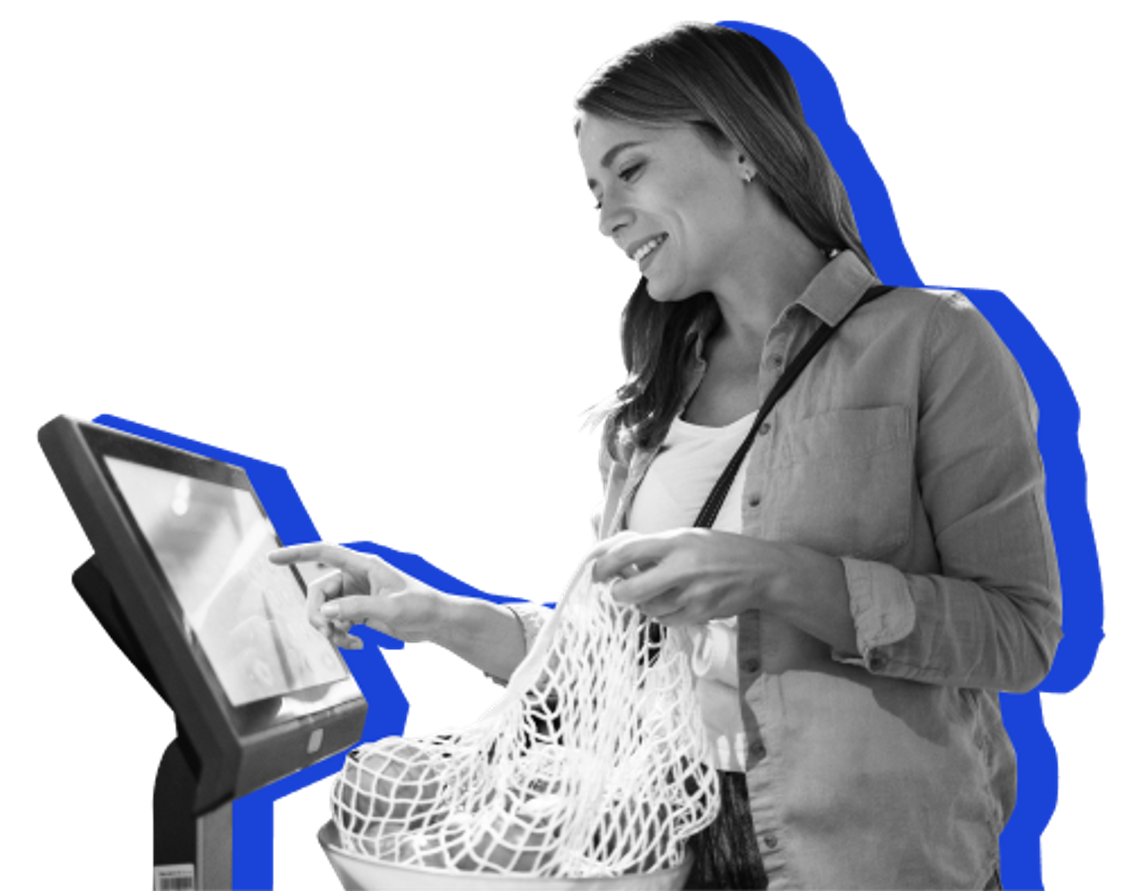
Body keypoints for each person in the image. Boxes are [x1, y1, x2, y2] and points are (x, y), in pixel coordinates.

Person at [269, 21, 1061, 891]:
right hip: (670, 840)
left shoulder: (931, 341)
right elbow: (611, 660)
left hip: (869, 859)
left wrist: (774, 575)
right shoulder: (653, 398)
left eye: (631, 168)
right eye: (592, 188)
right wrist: (428, 611)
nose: (606, 215)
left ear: (742, 146)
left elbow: (1020, 635)